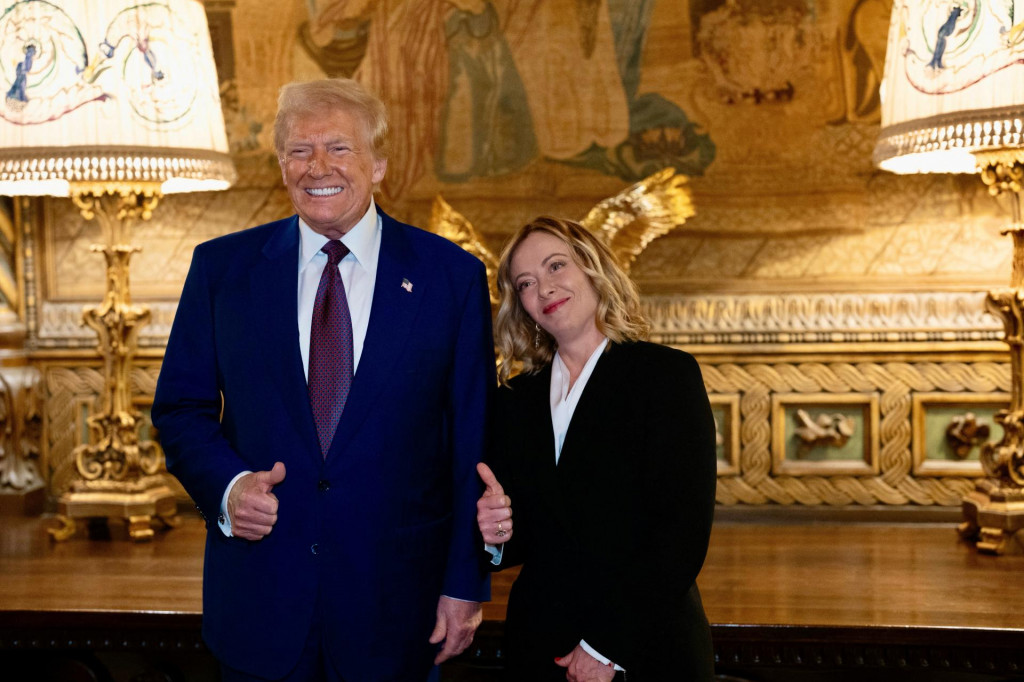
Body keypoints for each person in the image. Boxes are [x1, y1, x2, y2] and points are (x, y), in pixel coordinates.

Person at [152, 78, 494, 681]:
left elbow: (472, 439)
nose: (317, 167)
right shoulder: (221, 269)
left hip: (398, 608)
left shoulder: (452, 278)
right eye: (298, 150)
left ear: (379, 164)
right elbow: (180, 407)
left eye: (339, 148)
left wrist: (466, 582)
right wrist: (229, 488)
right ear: (281, 164)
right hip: (260, 603)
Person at [475, 216, 717, 681]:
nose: (543, 289)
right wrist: (496, 531)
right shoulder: (515, 398)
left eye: (555, 266)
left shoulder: (664, 377)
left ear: (592, 267)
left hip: (645, 648)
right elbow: (528, 537)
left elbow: (682, 535)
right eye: (525, 283)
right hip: (541, 645)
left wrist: (606, 646)